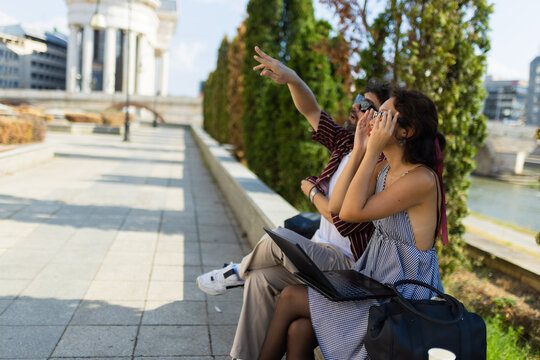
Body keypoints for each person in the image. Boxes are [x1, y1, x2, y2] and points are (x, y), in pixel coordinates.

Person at [196, 46, 392, 360]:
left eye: (366, 105)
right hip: (319, 253)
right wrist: (292, 79)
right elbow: (312, 111)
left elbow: (342, 219)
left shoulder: (379, 163)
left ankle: (236, 271)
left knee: (279, 238)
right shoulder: (345, 142)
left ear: (381, 120)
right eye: (357, 99)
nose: (356, 106)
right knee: (260, 279)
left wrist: (313, 192)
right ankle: (241, 355)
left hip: (345, 265)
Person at [258, 88, 448, 360]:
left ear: (407, 131)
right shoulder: (385, 169)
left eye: (383, 116)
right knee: (299, 330)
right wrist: (359, 149)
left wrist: (370, 151)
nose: (373, 120)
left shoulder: (421, 179)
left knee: (290, 297)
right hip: (374, 281)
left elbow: (349, 212)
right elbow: (336, 206)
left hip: (403, 296)